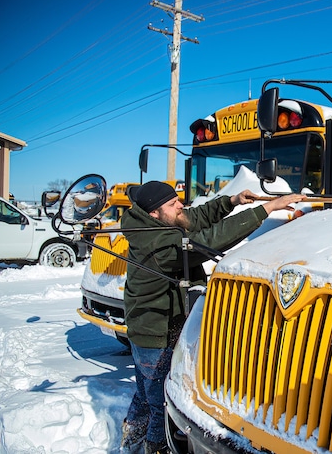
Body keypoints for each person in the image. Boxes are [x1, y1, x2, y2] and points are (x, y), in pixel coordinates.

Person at [119, 180, 304, 454]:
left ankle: (130, 438)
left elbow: (192, 218)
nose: (181, 205)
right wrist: (267, 208)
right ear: (155, 213)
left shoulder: (155, 222)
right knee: (161, 404)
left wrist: (231, 201)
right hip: (154, 333)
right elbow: (210, 240)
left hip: (142, 327)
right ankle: (154, 447)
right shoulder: (158, 245)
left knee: (146, 394)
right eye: (172, 204)